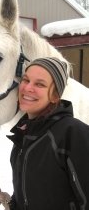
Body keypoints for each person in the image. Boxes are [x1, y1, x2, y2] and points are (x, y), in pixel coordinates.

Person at [7, 57, 89, 210]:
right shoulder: (23, 135)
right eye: (26, 80)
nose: (28, 88)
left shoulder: (73, 133)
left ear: (55, 96)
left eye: (40, 84)